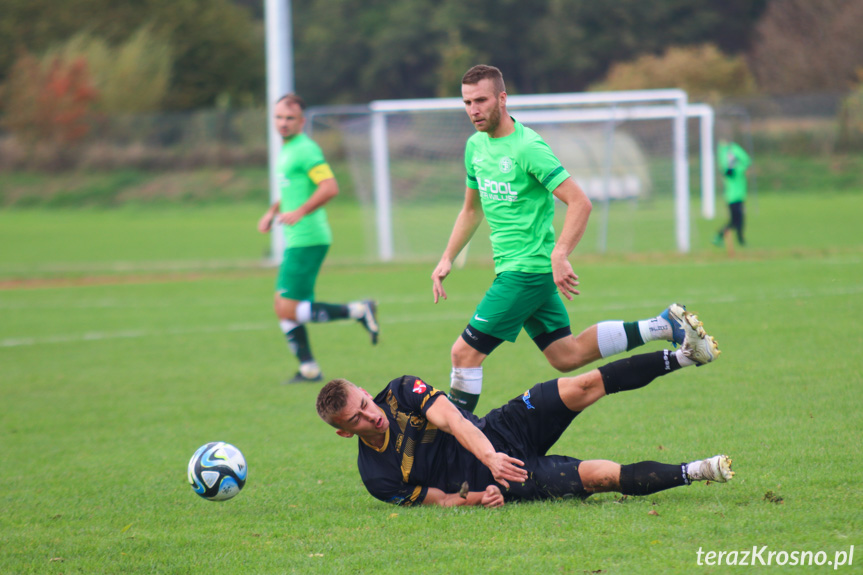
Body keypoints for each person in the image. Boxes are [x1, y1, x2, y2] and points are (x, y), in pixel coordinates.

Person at [431, 64, 695, 413]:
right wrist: (447, 256)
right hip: (518, 270)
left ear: (502, 98)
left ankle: (457, 440)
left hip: (525, 271)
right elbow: (471, 210)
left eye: (481, 100)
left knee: (463, 354)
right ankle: (663, 325)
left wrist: (561, 254)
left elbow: (579, 202)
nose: (473, 110)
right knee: (566, 355)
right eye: (467, 102)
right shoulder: (475, 147)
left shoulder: (528, 148)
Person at [316, 309, 727, 507]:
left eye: (365, 403)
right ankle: (698, 471)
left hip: (500, 431)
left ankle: (688, 356)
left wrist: (492, 454)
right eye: (357, 418)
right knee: (600, 477)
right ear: (344, 431)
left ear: (367, 392)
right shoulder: (377, 477)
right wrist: (481, 497)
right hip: (501, 478)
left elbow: (455, 421)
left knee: (583, 384)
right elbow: (439, 499)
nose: (371, 414)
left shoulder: (401, 392)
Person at [259, 93, 379, 384]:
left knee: (285, 307)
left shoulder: (306, 150)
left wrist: (299, 211)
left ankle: (358, 310)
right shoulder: (287, 150)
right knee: (283, 305)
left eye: (290, 118)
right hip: (298, 237)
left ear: (301, 121)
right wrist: (273, 210)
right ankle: (309, 369)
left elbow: (330, 187)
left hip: (308, 238)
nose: (283, 123)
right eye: (279, 117)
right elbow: (292, 190)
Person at [713, 140, 751, 254]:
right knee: (735, 222)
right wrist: (733, 148)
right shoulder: (737, 171)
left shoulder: (730, 172)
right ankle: (719, 236)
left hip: (735, 198)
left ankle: (740, 240)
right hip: (734, 199)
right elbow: (746, 161)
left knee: (738, 221)